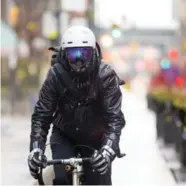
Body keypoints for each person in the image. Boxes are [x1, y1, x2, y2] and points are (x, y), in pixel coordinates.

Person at [27, 25, 126, 185]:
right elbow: (42, 115)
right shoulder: (55, 76)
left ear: (93, 52)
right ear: (64, 54)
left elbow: (114, 120)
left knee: (100, 179)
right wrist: (36, 149)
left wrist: (108, 149)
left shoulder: (105, 75)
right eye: (73, 54)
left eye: (84, 53)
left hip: (96, 138)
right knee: (62, 178)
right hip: (64, 135)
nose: (79, 60)